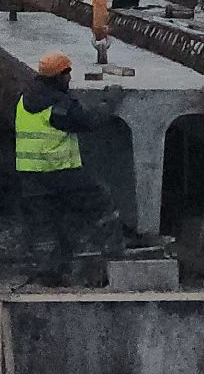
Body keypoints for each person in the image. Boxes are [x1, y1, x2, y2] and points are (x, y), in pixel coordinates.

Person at [14, 51, 120, 286]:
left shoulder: (24, 98)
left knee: (45, 225)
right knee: (101, 203)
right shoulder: (59, 105)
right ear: (60, 76)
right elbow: (89, 121)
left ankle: (49, 274)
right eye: (67, 73)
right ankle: (113, 255)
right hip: (61, 172)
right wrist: (110, 101)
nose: (70, 78)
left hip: (31, 175)